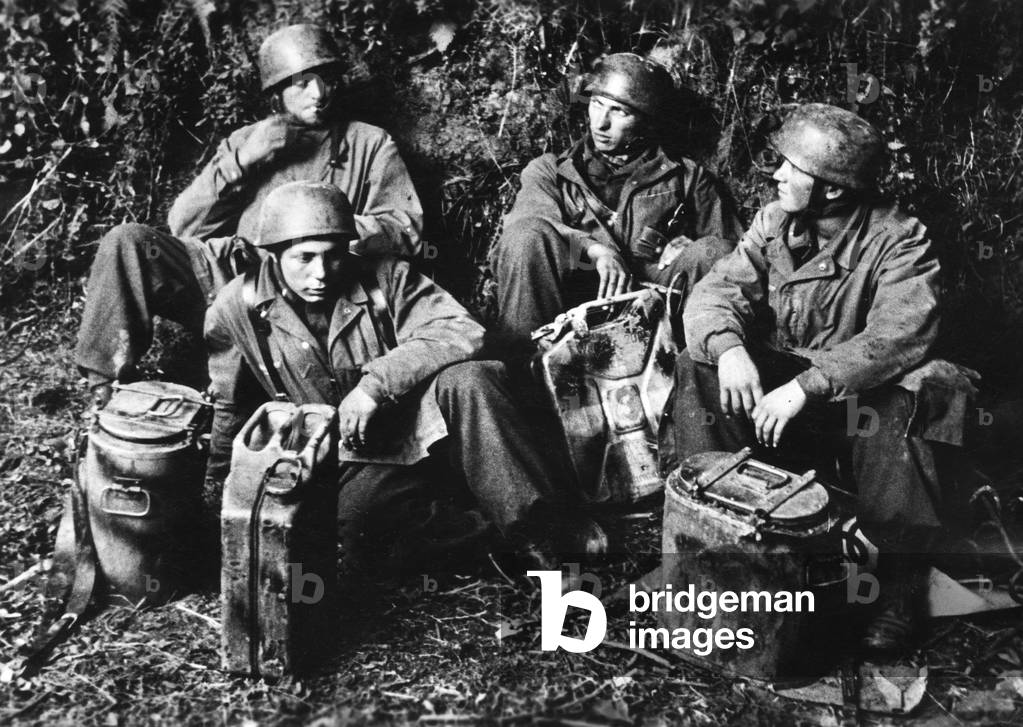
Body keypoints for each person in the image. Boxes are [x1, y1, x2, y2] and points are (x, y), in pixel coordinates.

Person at [662, 103, 974, 655]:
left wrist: (808, 386)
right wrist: (730, 349)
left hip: (854, 408)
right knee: (699, 362)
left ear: (831, 189)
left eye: (792, 167)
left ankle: (895, 585)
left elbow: (899, 335)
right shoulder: (775, 221)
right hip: (784, 408)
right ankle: (711, 531)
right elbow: (718, 291)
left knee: (920, 389)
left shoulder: (900, 239)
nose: (776, 175)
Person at [205, 180, 607, 572]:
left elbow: (462, 330)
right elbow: (230, 406)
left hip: (425, 428)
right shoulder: (236, 309)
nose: (322, 272)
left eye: (333, 255)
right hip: (350, 457)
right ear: (273, 254)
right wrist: (220, 492)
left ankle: (541, 537)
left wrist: (375, 385)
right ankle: (499, 537)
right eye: (304, 258)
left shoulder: (386, 277)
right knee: (359, 531)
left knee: (472, 380)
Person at [75, 24, 423, 407]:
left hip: (310, 287)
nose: (318, 93)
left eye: (325, 79)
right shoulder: (248, 141)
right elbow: (185, 225)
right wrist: (243, 161)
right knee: (128, 242)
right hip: (232, 273)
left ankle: (240, 388)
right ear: (277, 93)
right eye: (301, 83)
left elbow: (405, 227)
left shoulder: (370, 143)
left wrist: (327, 234)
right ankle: (105, 388)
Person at [489, 52, 744, 356]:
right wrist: (595, 250)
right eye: (597, 104)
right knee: (526, 235)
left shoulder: (687, 179)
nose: (601, 123)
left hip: (654, 314)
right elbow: (526, 224)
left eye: (619, 111)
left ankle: (697, 364)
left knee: (715, 251)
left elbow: (737, 260)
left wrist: (689, 249)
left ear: (646, 122)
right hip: (567, 308)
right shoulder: (550, 172)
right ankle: (524, 370)